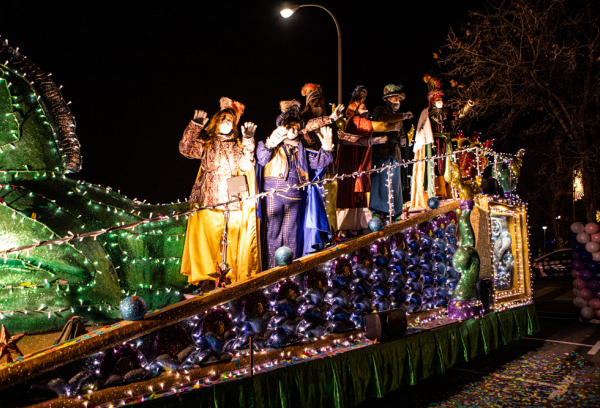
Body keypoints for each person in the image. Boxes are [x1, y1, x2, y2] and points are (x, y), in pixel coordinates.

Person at [179, 97, 260, 289]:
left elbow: (247, 164)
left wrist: (248, 140)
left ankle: (227, 278)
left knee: (228, 240)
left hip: (230, 201)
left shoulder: (236, 145)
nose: (226, 122)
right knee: (207, 242)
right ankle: (207, 280)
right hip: (207, 201)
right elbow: (185, 148)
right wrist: (195, 125)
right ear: (217, 120)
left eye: (230, 120)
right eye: (223, 118)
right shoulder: (207, 143)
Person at [257, 104, 334, 269]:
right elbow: (261, 159)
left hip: (296, 193)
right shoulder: (272, 146)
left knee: (293, 233)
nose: (294, 130)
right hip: (274, 192)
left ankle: (291, 273)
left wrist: (326, 147)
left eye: (297, 127)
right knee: (273, 233)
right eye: (290, 126)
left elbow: (319, 163)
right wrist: (270, 143)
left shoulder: (303, 150)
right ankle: (271, 272)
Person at [336, 86, 400, 233]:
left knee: (352, 189)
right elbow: (377, 126)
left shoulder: (353, 121)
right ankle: (347, 226)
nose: (366, 107)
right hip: (353, 163)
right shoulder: (357, 120)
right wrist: (394, 125)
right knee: (351, 190)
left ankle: (355, 224)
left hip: (355, 162)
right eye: (362, 105)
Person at [371, 84, 413, 220]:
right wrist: (402, 116)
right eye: (395, 99)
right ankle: (378, 210)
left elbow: (401, 132)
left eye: (399, 100)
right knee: (381, 183)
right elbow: (383, 120)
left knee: (395, 183)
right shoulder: (380, 110)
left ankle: (395, 211)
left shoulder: (398, 116)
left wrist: (403, 140)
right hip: (382, 153)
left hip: (395, 154)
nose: (398, 102)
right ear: (388, 99)